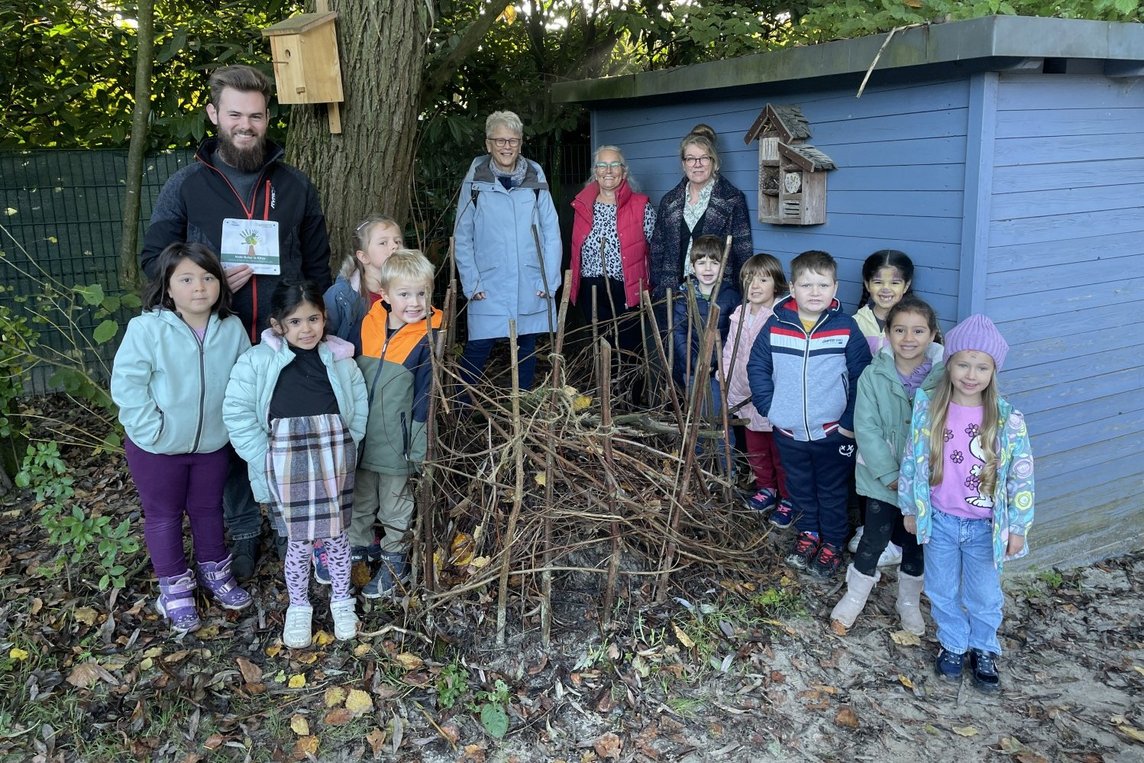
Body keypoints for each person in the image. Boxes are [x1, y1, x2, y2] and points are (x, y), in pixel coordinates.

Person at [139, 64, 334, 582]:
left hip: (283, 342)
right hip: (216, 341)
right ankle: (243, 532)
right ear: (213, 115)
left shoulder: (295, 186)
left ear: (268, 118)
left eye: (255, 115)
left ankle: (297, 533)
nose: (245, 125)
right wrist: (207, 277)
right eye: (234, 115)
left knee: (290, 433)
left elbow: (318, 267)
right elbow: (153, 260)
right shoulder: (185, 186)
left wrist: (312, 326)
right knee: (228, 442)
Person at [111, 243, 253, 633]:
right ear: (168, 288)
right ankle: (174, 588)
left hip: (211, 444)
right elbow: (127, 385)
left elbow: (245, 380)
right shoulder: (147, 328)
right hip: (156, 449)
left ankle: (215, 573)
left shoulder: (231, 328)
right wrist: (150, 430)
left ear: (221, 285)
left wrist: (229, 428)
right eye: (186, 279)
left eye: (208, 278)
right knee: (163, 516)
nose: (199, 288)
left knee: (209, 509)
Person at [223, 281, 367, 649]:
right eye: (296, 321)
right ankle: (298, 606)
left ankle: (341, 599)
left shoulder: (339, 359)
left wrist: (350, 444)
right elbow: (237, 412)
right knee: (297, 541)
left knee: (336, 536)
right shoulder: (257, 362)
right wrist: (264, 458)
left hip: (333, 458)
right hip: (285, 464)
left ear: (324, 319)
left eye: (314, 319)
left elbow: (358, 404)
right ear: (278, 324)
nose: (307, 329)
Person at [899, 314, 1034, 691]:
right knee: (941, 588)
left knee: (984, 594)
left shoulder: (1007, 420)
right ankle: (953, 644)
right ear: (949, 363)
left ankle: (983, 647)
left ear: (993, 371)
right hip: (940, 520)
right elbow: (912, 460)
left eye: (981, 367)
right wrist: (910, 507)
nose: (971, 374)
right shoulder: (929, 409)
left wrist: (1018, 527)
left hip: (985, 527)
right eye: (963, 364)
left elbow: (1021, 476)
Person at [747, 250, 872, 579]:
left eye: (823, 284)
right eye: (806, 285)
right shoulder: (776, 326)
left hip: (832, 432)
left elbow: (863, 377)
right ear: (792, 286)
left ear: (835, 287)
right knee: (800, 487)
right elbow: (757, 367)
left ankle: (831, 542)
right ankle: (809, 535)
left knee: (831, 490)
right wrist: (770, 407)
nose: (815, 292)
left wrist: (847, 426)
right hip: (788, 432)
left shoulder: (845, 328)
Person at [830, 296, 944, 636]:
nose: (909, 338)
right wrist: (892, 475)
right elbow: (867, 428)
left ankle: (907, 602)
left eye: (918, 331)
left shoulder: (943, 378)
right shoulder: (873, 375)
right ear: (888, 333)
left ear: (933, 334)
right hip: (882, 479)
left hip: (926, 482)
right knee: (873, 539)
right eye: (899, 330)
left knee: (915, 543)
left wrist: (924, 476)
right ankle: (854, 597)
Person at [351, 250, 442, 597]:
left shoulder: (429, 335)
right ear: (385, 296)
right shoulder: (369, 323)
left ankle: (394, 562)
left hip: (397, 441)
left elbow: (425, 395)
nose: (415, 302)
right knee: (360, 501)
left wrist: (417, 442)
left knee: (395, 504)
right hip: (362, 435)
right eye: (404, 294)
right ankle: (356, 555)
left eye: (422, 293)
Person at [453, 110, 561, 393]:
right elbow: (463, 236)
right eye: (499, 140)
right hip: (488, 283)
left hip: (530, 280)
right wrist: (471, 282)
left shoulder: (535, 174)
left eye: (512, 140)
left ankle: (522, 411)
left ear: (521, 142)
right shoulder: (476, 179)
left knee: (526, 347)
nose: (506, 146)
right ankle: (461, 412)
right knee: (479, 347)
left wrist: (548, 279)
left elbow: (551, 232)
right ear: (488, 144)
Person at [849, 250, 916, 566]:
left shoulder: (915, 322)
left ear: (907, 285)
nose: (886, 288)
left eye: (894, 281)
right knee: (867, 468)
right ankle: (868, 527)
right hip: (867, 409)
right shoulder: (857, 322)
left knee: (902, 471)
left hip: (903, 415)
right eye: (878, 281)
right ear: (867, 283)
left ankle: (898, 540)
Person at [569, 145, 655, 380]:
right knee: (600, 346)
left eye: (614, 164)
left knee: (629, 349)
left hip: (626, 288)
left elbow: (655, 248)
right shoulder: (583, 205)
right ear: (595, 172)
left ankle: (630, 405)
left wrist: (650, 287)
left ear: (624, 171)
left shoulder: (640, 206)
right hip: (591, 288)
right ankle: (605, 403)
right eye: (602, 165)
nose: (608, 170)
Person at [649, 124, 752, 303]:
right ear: (683, 164)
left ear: (714, 162)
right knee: (677, 332)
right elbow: (658, 249)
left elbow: (743, 252)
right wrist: (659, 286)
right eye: (690, 159)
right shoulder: (669, 201)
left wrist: (740, 295)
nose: (697, 165)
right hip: (673, 293)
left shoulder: (732, 199)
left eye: (704, 158)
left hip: (717, 293)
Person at [721, 253, 789, 516]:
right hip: (741, 390)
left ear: (777, 284)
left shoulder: (780, 316)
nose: (756, 286)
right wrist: (724, 376)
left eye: (764, 279)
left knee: (779, 452)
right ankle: (766, 489)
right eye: (750, 279)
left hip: (769, 395)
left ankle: (788, 496)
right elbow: (729, 350)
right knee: (755, 449)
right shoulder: (740, 313)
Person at [671, 235, 741, 473]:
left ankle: (726, 468)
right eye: (701, 262)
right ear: (692, 266)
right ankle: (700, 467)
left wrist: (717, 364)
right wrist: (694, 363)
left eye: (714, 262)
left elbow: (734, 336)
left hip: (721, 372)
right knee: (697, 418)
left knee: (721, 420)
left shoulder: (731, 296)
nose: (708, 268)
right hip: (693, 370)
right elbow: (679, 334)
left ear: (723, 265)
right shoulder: (684, 295)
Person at [324, 215, 403, 355]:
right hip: (352, 369)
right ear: (363, 257)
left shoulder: (411, 291)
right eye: (383, 243)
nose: (394, 246)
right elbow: (325, 338)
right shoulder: (340, 295)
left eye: (397, 241)